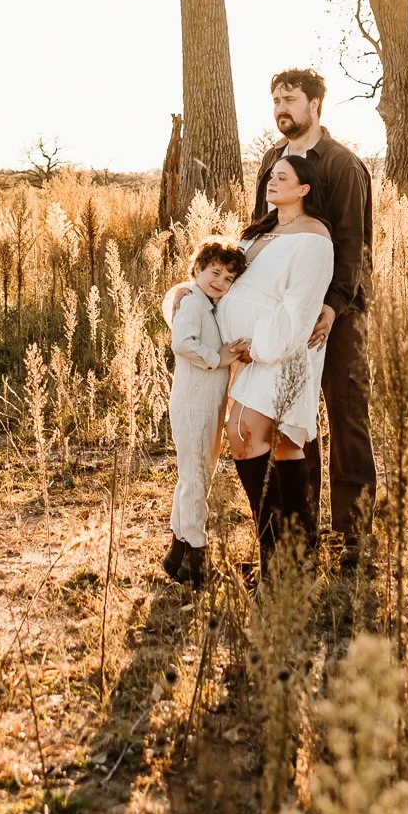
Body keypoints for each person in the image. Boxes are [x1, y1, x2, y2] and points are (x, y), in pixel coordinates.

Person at [248, 69, 375, 567]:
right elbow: (266, 228)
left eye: (291, 98)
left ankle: (356, 536)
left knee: (345, 416)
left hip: (337, 313)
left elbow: (353, 245)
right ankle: (302, 535)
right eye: (276, 98)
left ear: (316, 103)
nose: (282, 107)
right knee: (293, 421)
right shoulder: (270, 161)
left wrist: (332, 305)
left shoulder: (343, 165)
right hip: (286, 312)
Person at [217, 152, 334, 567]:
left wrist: (259, 347)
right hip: (247, 356)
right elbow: (223, 277)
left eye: (282, 177)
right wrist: (184, 296)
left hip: (278, 354)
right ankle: (291, 553)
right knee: (283, 445)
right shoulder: (260, 232)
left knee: (244, 433)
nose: (272, 180)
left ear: (304, 189)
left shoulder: (314, 238)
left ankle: (278, 551)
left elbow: (299, 309)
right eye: (271, 175)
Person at [160, 238, 250, 588]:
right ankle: (197, 557)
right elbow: (182, 343)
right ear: (196, 270)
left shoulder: (211, 307)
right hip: (193, 406)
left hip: (209, 406)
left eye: (228, 278)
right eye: (214, 273)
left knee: (195, 477)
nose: (220, 282)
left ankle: (176, 555)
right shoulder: (193, 303)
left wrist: (231, 352)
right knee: (196, 479)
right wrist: (218, 358)